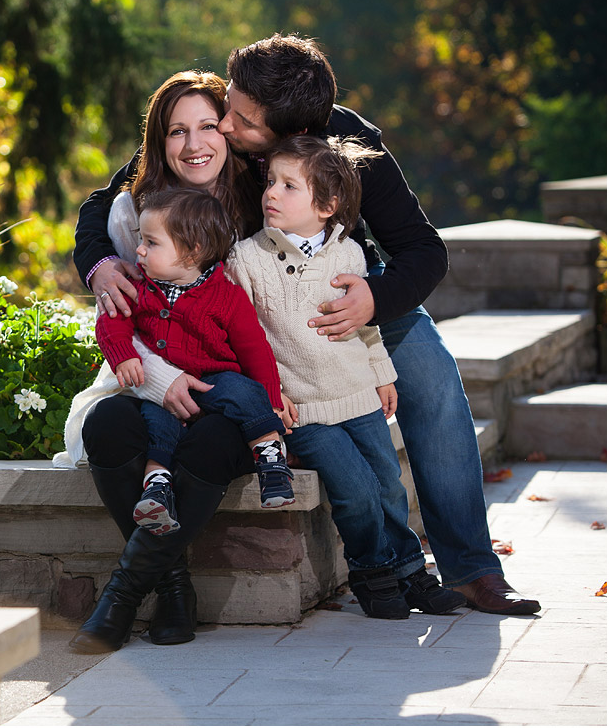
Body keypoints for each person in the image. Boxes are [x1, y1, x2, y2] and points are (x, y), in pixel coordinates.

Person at [75, 34, 540, 616]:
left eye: (240, 117)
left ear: (285, 132)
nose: (223, 121)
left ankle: (472, 569)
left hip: (349, 298)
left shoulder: (350, 146)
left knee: (437, 382)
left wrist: (372, 298)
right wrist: (97, 265)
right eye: (230, 102)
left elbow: (424, 251)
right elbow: (112, 197)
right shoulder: (219, 129)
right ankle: (382, 565)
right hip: (257, 314)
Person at [226, 135, 466, 618]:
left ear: (328, 203)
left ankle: (409, 571)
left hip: (358, 397)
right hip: (306, 408)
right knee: (355, 491)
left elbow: (366, 327)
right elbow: (243, 339)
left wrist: (382, 375)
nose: (271, 193)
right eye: (270, 181)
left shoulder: (350, 256)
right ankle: (372, 571)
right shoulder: (247, 259)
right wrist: (267, 397)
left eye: (289, 185)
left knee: (388, 485)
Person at [63, 70, 261, 653]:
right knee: (109, 426)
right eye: (177, 131)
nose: (194, 144)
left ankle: (122, 596)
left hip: (230, 381)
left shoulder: (259, 201)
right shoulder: (133, 212)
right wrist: (159, 379)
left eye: (207, 127)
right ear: (158, 140)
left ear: (230, 131)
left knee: (211, 441)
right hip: (147, 369)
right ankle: (173, 586)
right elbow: (125, 316)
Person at [94, 187, 293, 537]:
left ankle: (271, 460)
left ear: (192, 251)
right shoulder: (140, 288)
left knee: (245, 395)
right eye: (142, 239)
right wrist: (122, 354)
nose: (139, 249)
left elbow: (255, 350)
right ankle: (157, 488)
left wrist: (272, 401)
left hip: (216, 377)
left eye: (151, 243)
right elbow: (111, 321)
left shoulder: (226, 295)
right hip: (167, 389)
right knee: (157, 420)